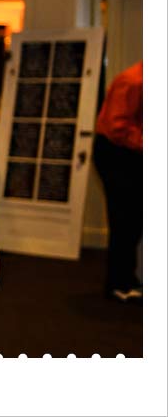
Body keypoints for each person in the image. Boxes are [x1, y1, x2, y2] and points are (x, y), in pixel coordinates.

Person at [93, 60, 143, 302]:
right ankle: (118, 283)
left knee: (134, 218)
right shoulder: (133, 81)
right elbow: (117, 128)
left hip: (129, 152)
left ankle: (127, 278)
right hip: (116, 153)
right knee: (125, 217)